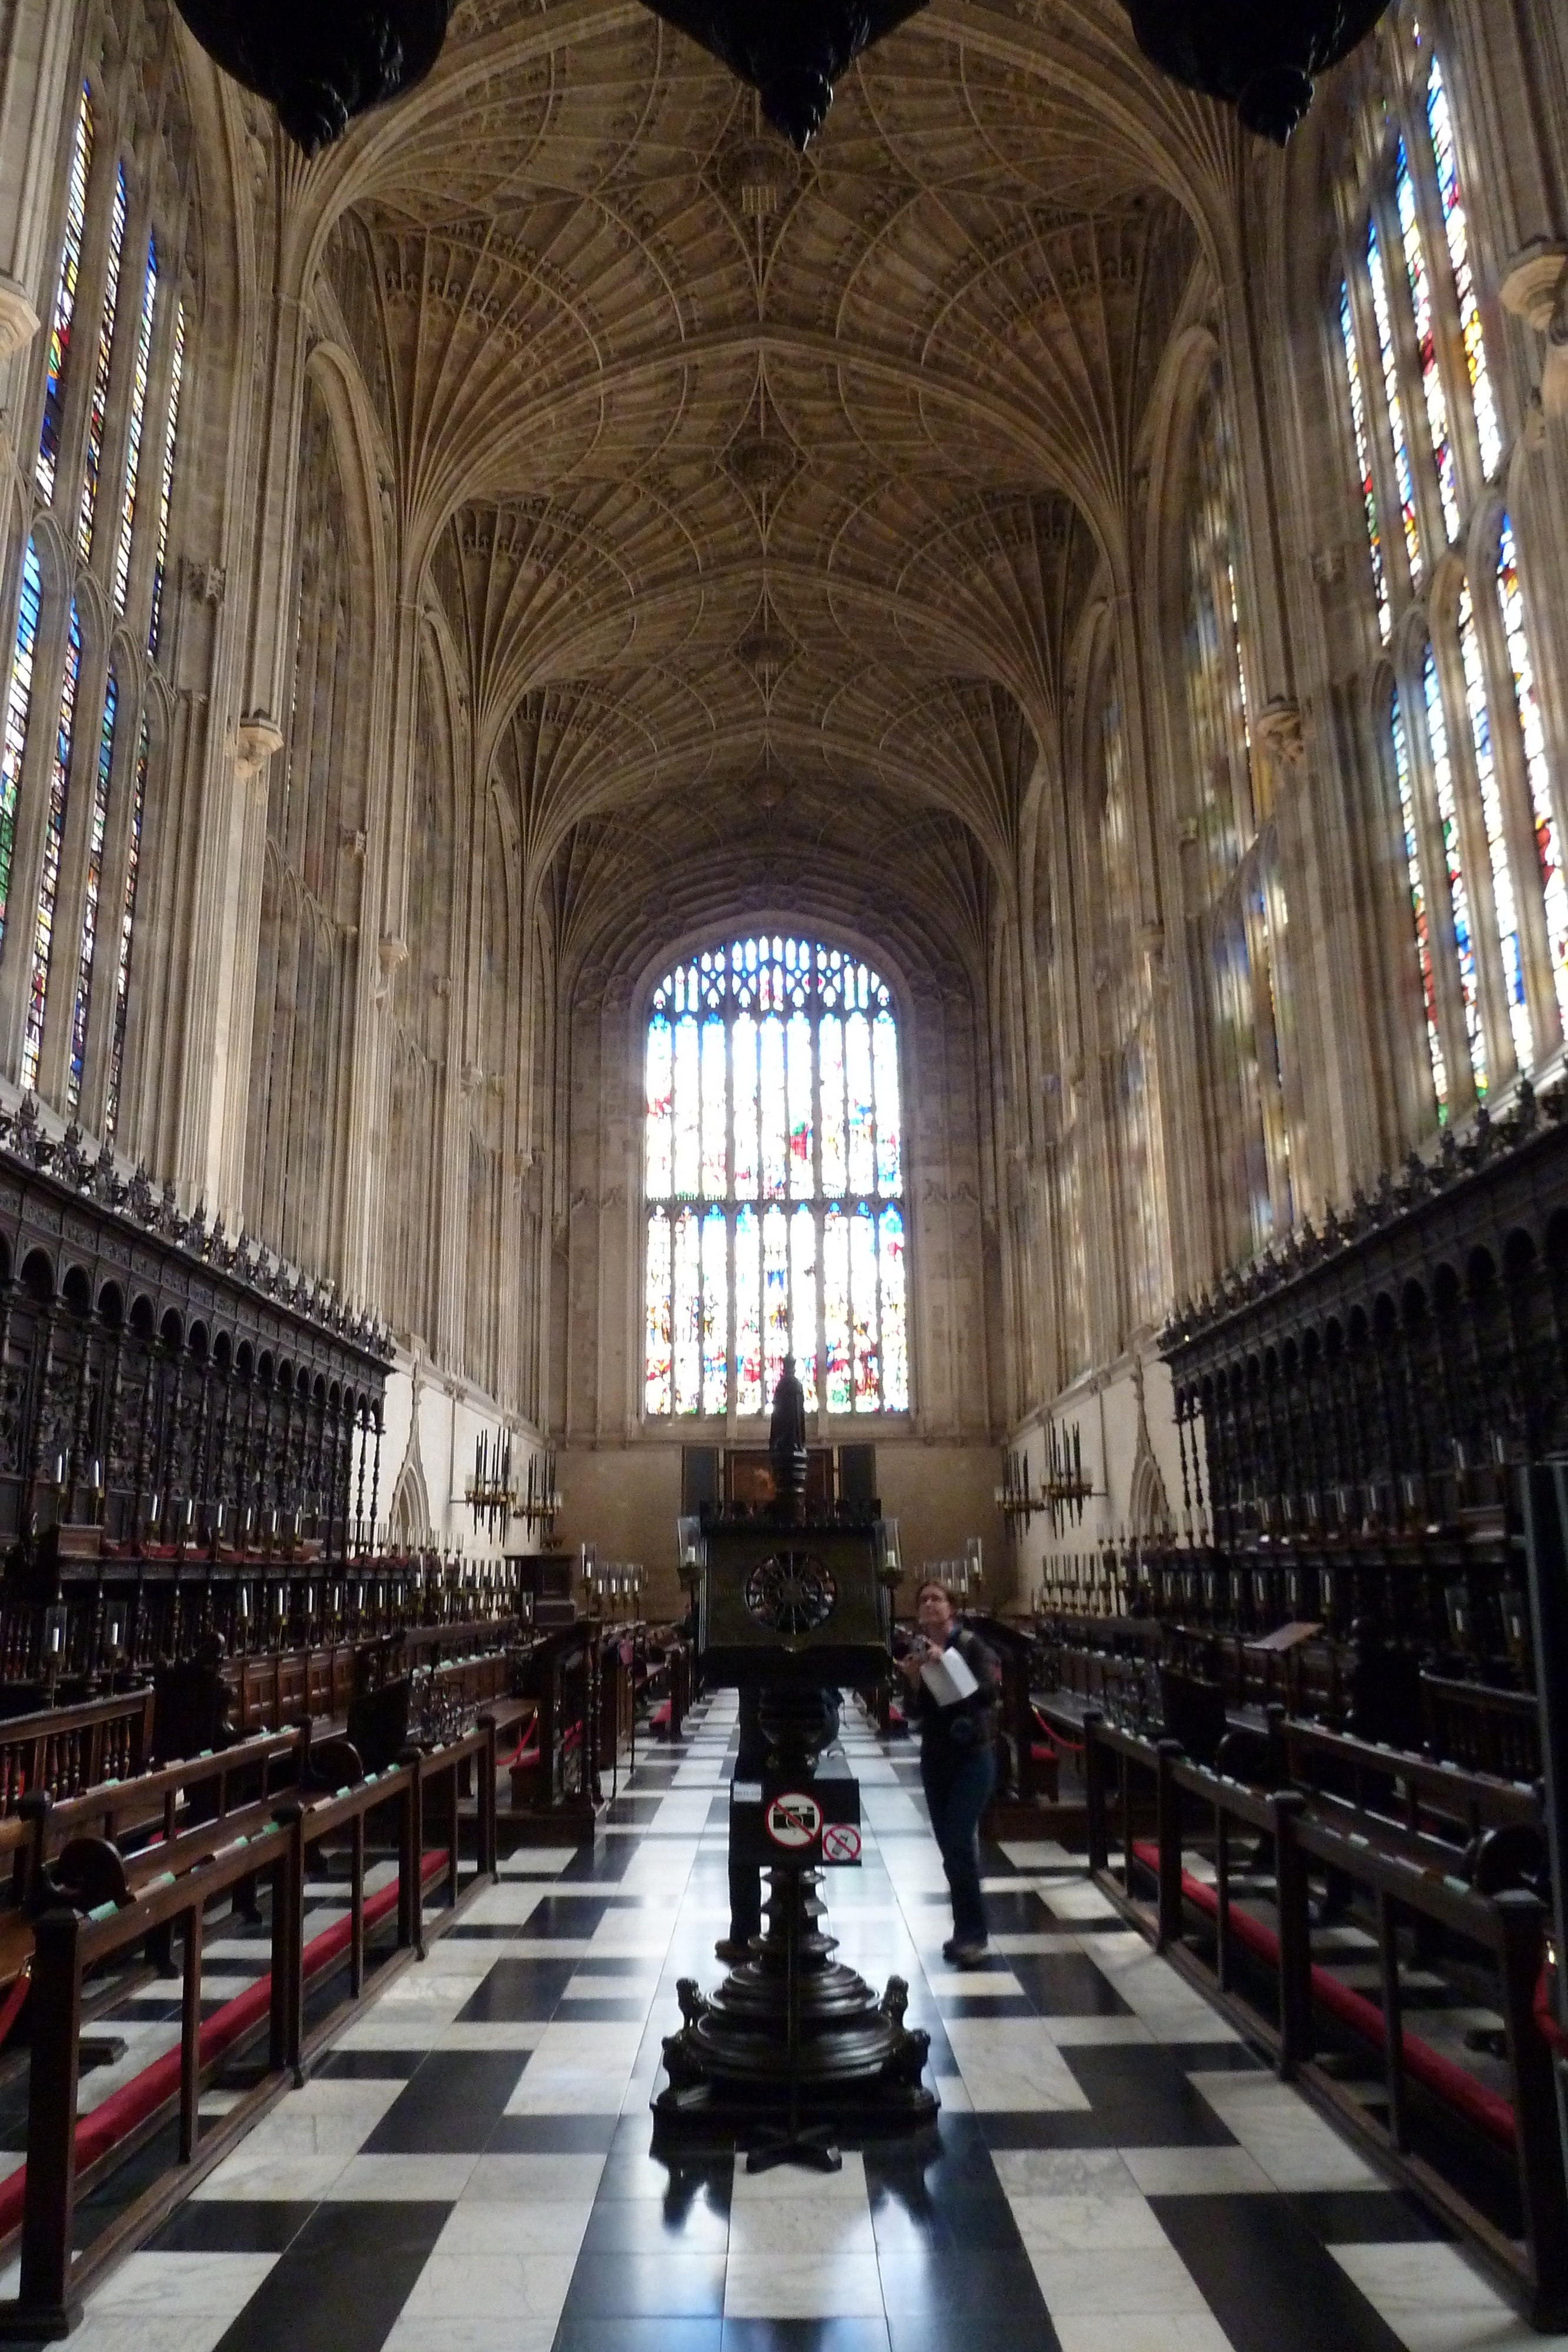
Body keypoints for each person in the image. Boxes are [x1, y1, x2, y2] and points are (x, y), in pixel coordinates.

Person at [894, 1579, 999, 1966]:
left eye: (936, 1599)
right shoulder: (917, 1651)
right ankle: (963, 1933)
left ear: (950, 1608)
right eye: (923, 1600)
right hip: (936, 1758)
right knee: (949, 1849)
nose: (929, 1605)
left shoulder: (970, 1645)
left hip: (972, 1755)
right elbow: (915, 1713)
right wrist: (914, 1680)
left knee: (958, 1840)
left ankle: (975, 1935)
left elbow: (987, 1695)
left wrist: (949, 1663)